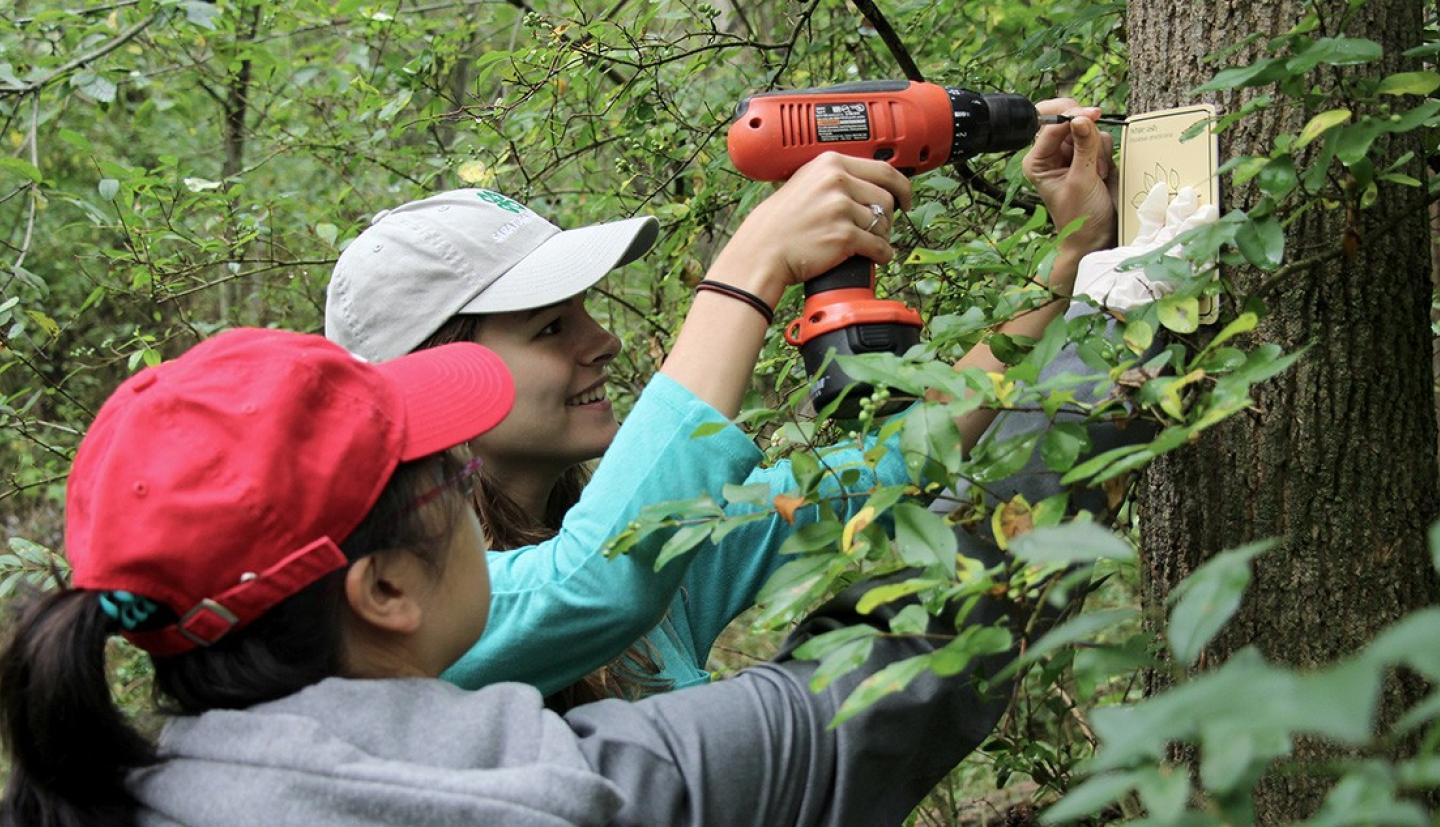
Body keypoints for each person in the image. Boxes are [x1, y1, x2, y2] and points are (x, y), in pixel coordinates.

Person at [0, 327, 1011, 826]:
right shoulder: (576, 788)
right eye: (454, 477)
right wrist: (1089, 358)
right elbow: (907, 682)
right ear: (386, 591)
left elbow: (784, 507)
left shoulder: (106, 794)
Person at [325, 99, 1120, 704]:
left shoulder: (661, 549)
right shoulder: (409, 619)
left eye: (589, 311)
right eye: (550, 326)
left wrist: (1064, 264)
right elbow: (590, 583)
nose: (601, 341)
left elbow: (886, 468)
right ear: (432, 375)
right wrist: (755, 262)